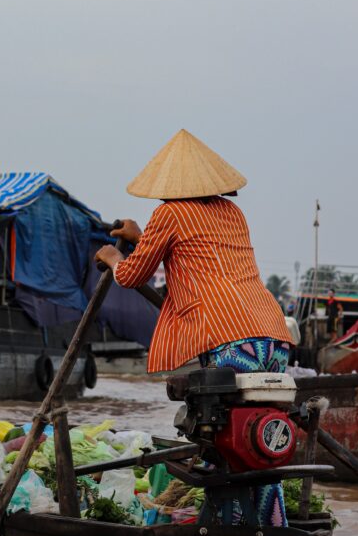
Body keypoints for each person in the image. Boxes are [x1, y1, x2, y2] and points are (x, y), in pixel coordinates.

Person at [94, 129, 294, 375]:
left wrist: (112, 257)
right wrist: (139, 237)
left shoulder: (169, 213)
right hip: (275, 339)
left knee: (210, 409)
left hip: (230, 341)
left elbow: (130, 276)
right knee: (251, 410)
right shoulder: (232, 211)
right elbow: (194, 248)